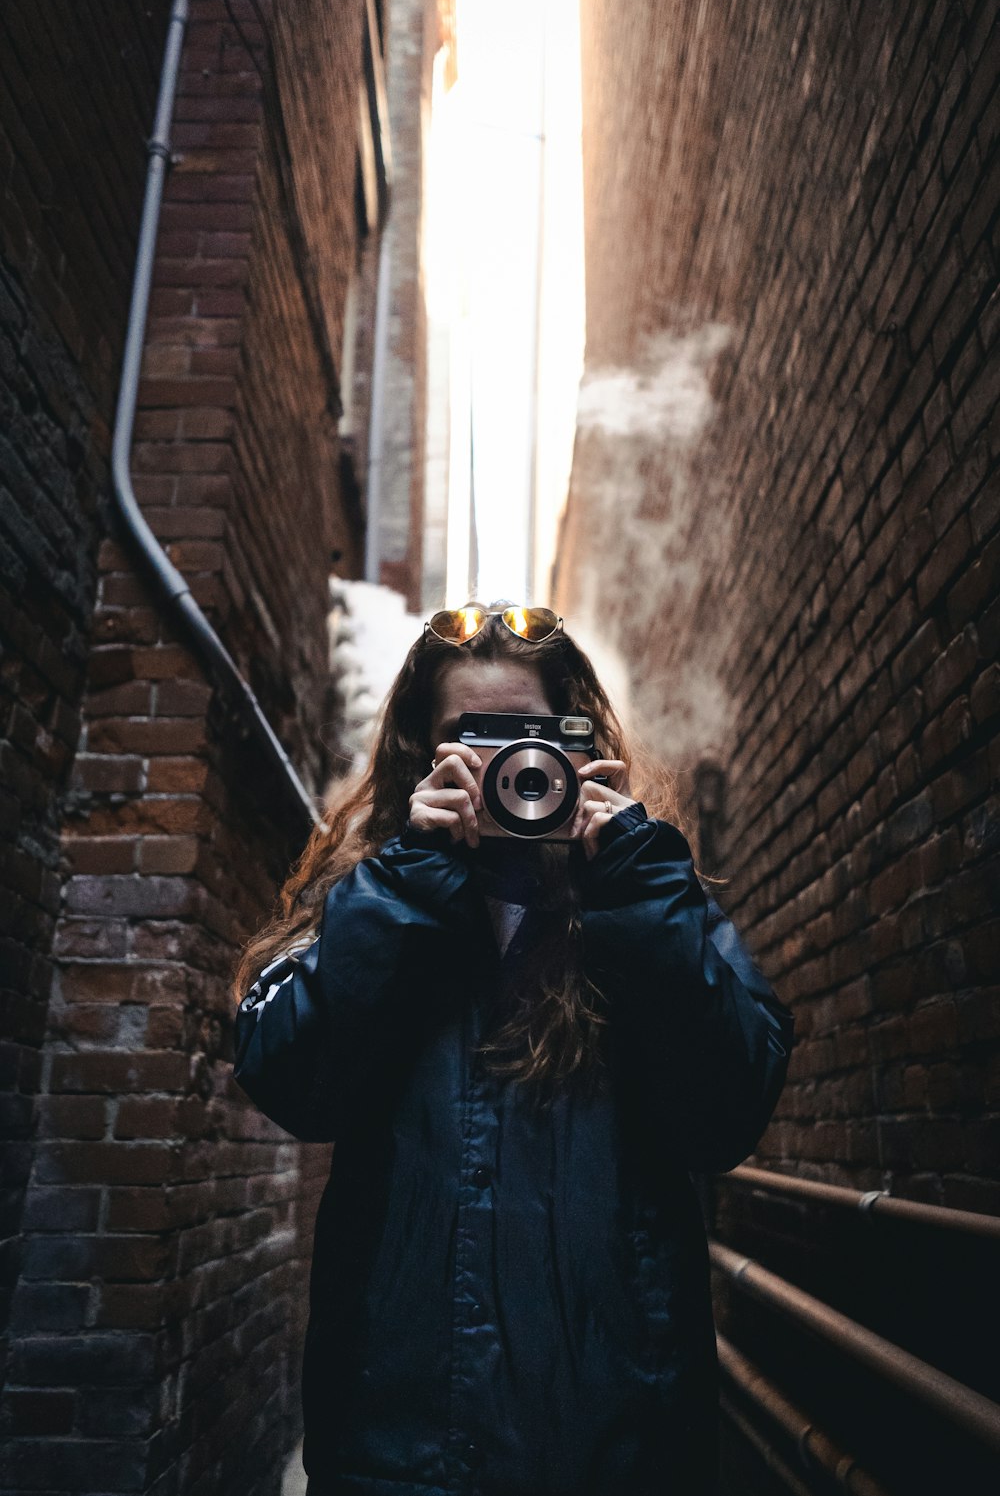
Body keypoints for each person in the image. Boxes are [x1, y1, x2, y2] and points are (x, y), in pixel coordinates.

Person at [231, 603, 795, 1496]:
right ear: (423, 752)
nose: (506, 763)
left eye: (530, 733)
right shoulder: (372, 892)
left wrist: (636, 887)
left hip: (617, 1449)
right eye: (472, 734)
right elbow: (290, 1076)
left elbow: (731, 1107)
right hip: (405, 1448)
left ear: (578, 747)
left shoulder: (643, 888)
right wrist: (412, 877)